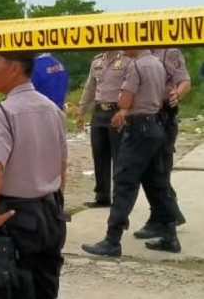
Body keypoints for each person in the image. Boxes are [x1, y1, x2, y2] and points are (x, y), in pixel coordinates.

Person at [0, 52, 68, 299]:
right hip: (50, 212)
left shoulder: (3, 112)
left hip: (16, 216)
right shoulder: (52, 108)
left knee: (12, 288)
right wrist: (56, 203)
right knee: (45, 288)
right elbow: (62, 163)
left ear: (15, 68)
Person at [82, 49, 181, 257]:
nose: (123, 47)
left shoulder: (137, 66)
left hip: (138, 128)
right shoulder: (156, 64)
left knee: (124, 182)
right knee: (157, 183)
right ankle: (170, 235)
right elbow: (164, 93)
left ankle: (112, 240)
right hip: (155, 125)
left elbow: (125, 100)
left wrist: (123, 106)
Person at [133, 48, 191, 238]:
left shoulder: (169, 52)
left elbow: (184, 81)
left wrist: (177, 95)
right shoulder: (138, 52)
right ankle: (171, 214)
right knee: (149, 171)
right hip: (143, 119)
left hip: (163, 116)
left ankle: (161, 220)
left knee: (160, 170)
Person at [76, 51, 131, 207]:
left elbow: (131, 88)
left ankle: (120, 196)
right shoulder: (97, 62)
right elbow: (90, 87)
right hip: (99, 111)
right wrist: (81, 111)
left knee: (118, 155)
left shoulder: (127, 60)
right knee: (99, 153)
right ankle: (102, 196)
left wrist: (125, 111)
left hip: (117, 111)